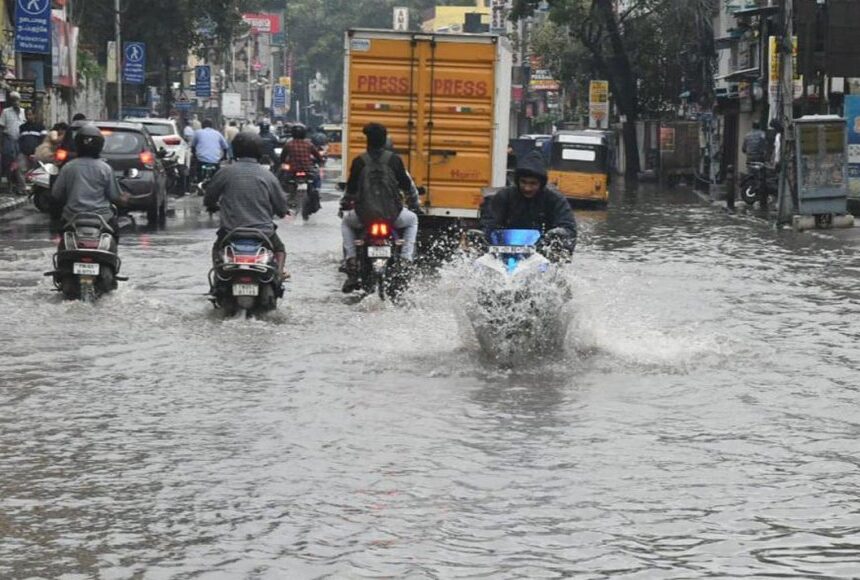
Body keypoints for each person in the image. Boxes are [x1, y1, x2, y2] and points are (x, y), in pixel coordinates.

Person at [340, 122, 420, 293]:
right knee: (413, 220)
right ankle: (405, 260)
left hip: (364, 216)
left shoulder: (359, 161)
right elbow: (407, 186)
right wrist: (414, 204)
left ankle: (352, 261)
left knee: (346, 223)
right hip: (393, 215)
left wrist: (344, 204)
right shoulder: (395, 160)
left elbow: (351, 190)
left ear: (367, 141)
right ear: (385, 141)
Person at [203, 132, 289, 281]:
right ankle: (279, 273)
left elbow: (210, 197)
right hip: (264, 233)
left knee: (217, 248)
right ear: (259, 151)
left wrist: (212, 206)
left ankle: (219, 276)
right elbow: (281, 207)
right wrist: (281, 212)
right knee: (279, 249)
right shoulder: (268, 176)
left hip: (231, 231)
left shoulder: (225, 172)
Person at [482, 150, 577, 255]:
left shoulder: (555, 200)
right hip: (504, 249)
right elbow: (489, 224)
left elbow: (568, 228)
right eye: (523, 182)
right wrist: (484, 238)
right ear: (517, 181)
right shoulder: (503, 196)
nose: (527, 188)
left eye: (533, 183)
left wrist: (558, 235)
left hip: (542, 251)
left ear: (541, 184)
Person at [50, 124, 127, 240]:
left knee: (62, 238)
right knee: (114, 236)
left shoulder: (68, 168)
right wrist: (125, 199)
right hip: (103, 218)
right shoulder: (105, 169)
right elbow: (115, 196)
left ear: (77, 145)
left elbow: (56, 194)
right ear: (100, 145)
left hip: (72, 218)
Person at [280, 124, 324, 198]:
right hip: (307, 169)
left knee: (282, 176)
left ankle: (281, 192)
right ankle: (317, 189)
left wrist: (283, 163)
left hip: (293, 169)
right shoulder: (309, 144)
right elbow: (318, 156)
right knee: (317, 176)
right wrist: (320, 161)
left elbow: (282, 157)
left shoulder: (288, 144)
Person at [0, 92, 27, 194]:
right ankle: (9, 185)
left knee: (19, 165)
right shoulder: (6, 112)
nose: (15, 102)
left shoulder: (23, 112)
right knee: (8, 164)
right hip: (8, 140)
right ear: (11, 101)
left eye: (17, 99)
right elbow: (1, 128)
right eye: (13, 100)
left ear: (20, 101)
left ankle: (19, 186)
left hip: (20, 142)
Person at [17, 108, 46, 177]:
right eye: (26, 115)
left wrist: (37, 153)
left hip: (36, 155)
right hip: (24, 155)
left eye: (30, 114)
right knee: (23, 172)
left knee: (35, 173)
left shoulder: (40, 127)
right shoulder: (22, 127)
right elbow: (20, 140)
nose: (28, 116)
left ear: (34, 115)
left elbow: (43, 141)